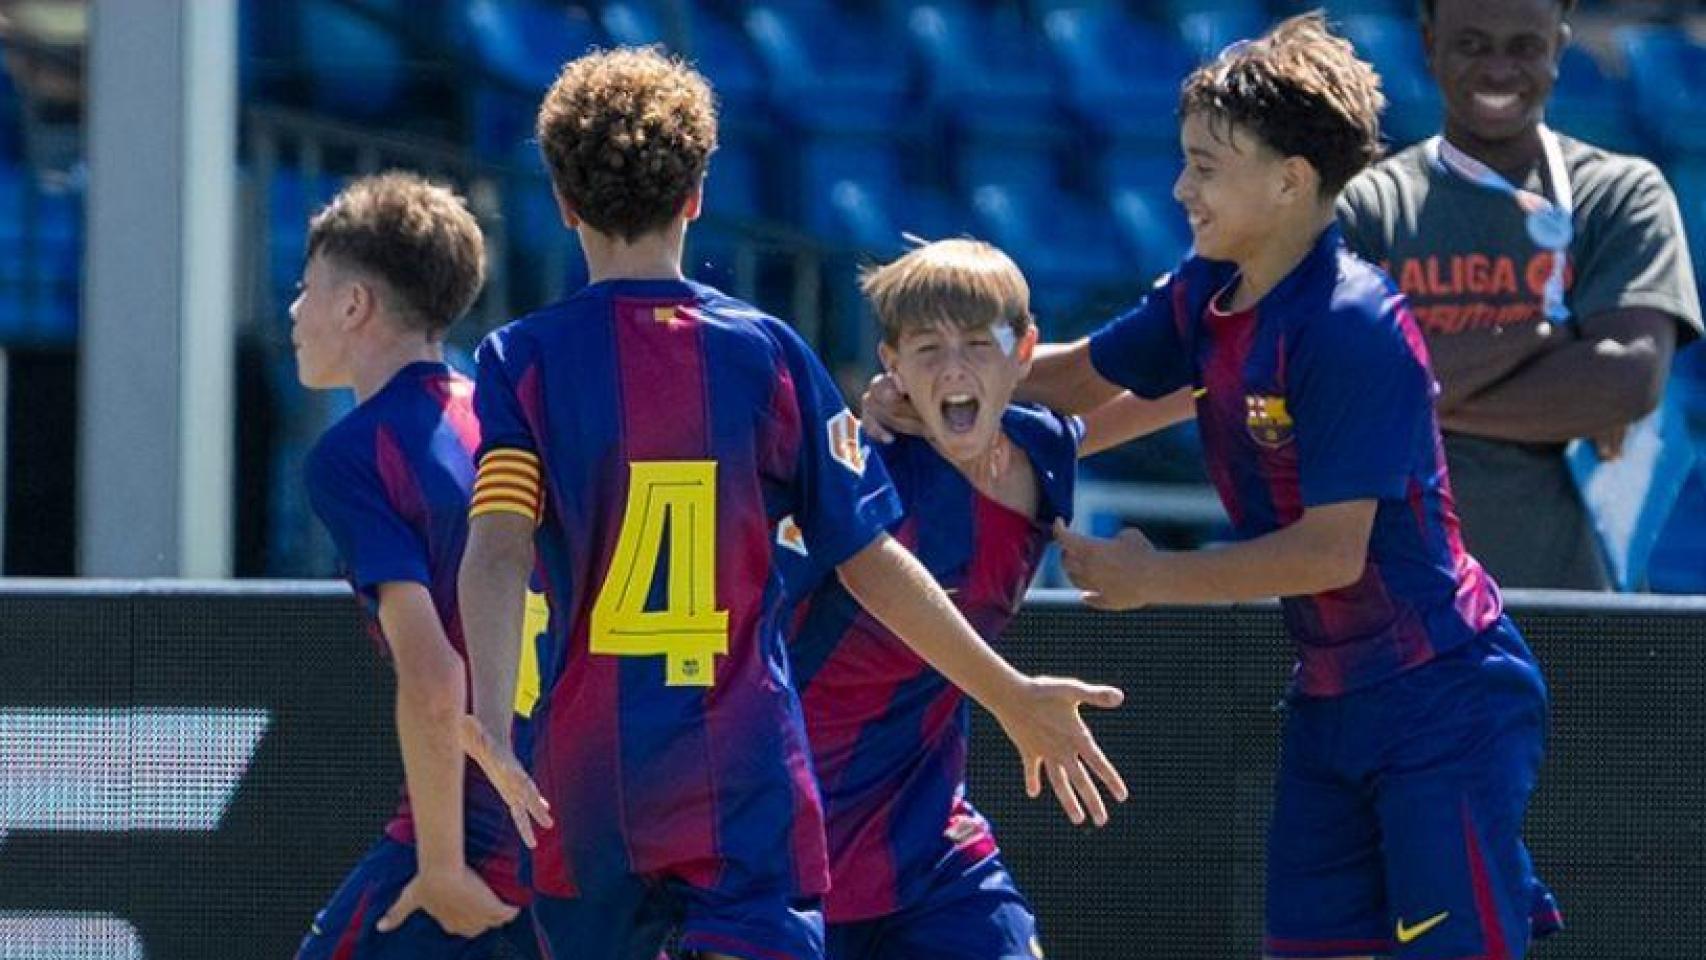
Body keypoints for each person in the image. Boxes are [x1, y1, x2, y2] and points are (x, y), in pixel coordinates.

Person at [870, 14, 1561, 959]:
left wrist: (1155, 578)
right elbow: (1074, 380)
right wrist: (935, 377)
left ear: (1290, 181)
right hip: (1331, 699)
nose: (1179, 187)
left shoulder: (1354, 324)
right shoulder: (1209, 289)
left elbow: (1333, 553)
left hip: (1442, 697)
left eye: (1205, 166)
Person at [451, 49, 1127, 960]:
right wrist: (1009, 692)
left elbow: (496, 549)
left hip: (590, 780)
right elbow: (870, 555)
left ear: (564, 204)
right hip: (740, 780)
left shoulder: (518, 359)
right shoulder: (764, 353)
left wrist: (493, 720)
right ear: (698, 195)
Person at [782, 239, 1175, 960]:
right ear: (892, 365)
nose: (955, 368)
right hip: (790, 846)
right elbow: (871, 577)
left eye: (977, 344)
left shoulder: (1041, 448)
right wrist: (1013, 696)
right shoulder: (863, 476)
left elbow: (1191, 376)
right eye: (927, 349)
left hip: (932, 844)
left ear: (1024, 351)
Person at [1336, 0, 1703, 589]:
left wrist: (1416, 400)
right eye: (1472, 44)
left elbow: (1629, 380)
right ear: (1429, 46)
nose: (1499, 69)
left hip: (1570, 599)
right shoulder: (1368, 206)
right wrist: (1547, 335)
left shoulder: (1619, 194)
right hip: (1398, 604)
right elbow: (1344, 393)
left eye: (1524, 47)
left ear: (1558, 47)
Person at [291, 172, 540, 958]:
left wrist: (440, 868)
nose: (293, 312)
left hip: (474, 831)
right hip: (573, 820)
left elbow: (434, 676)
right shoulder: (506, 417)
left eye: (305, 288)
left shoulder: (351, 455)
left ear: (353, 305)